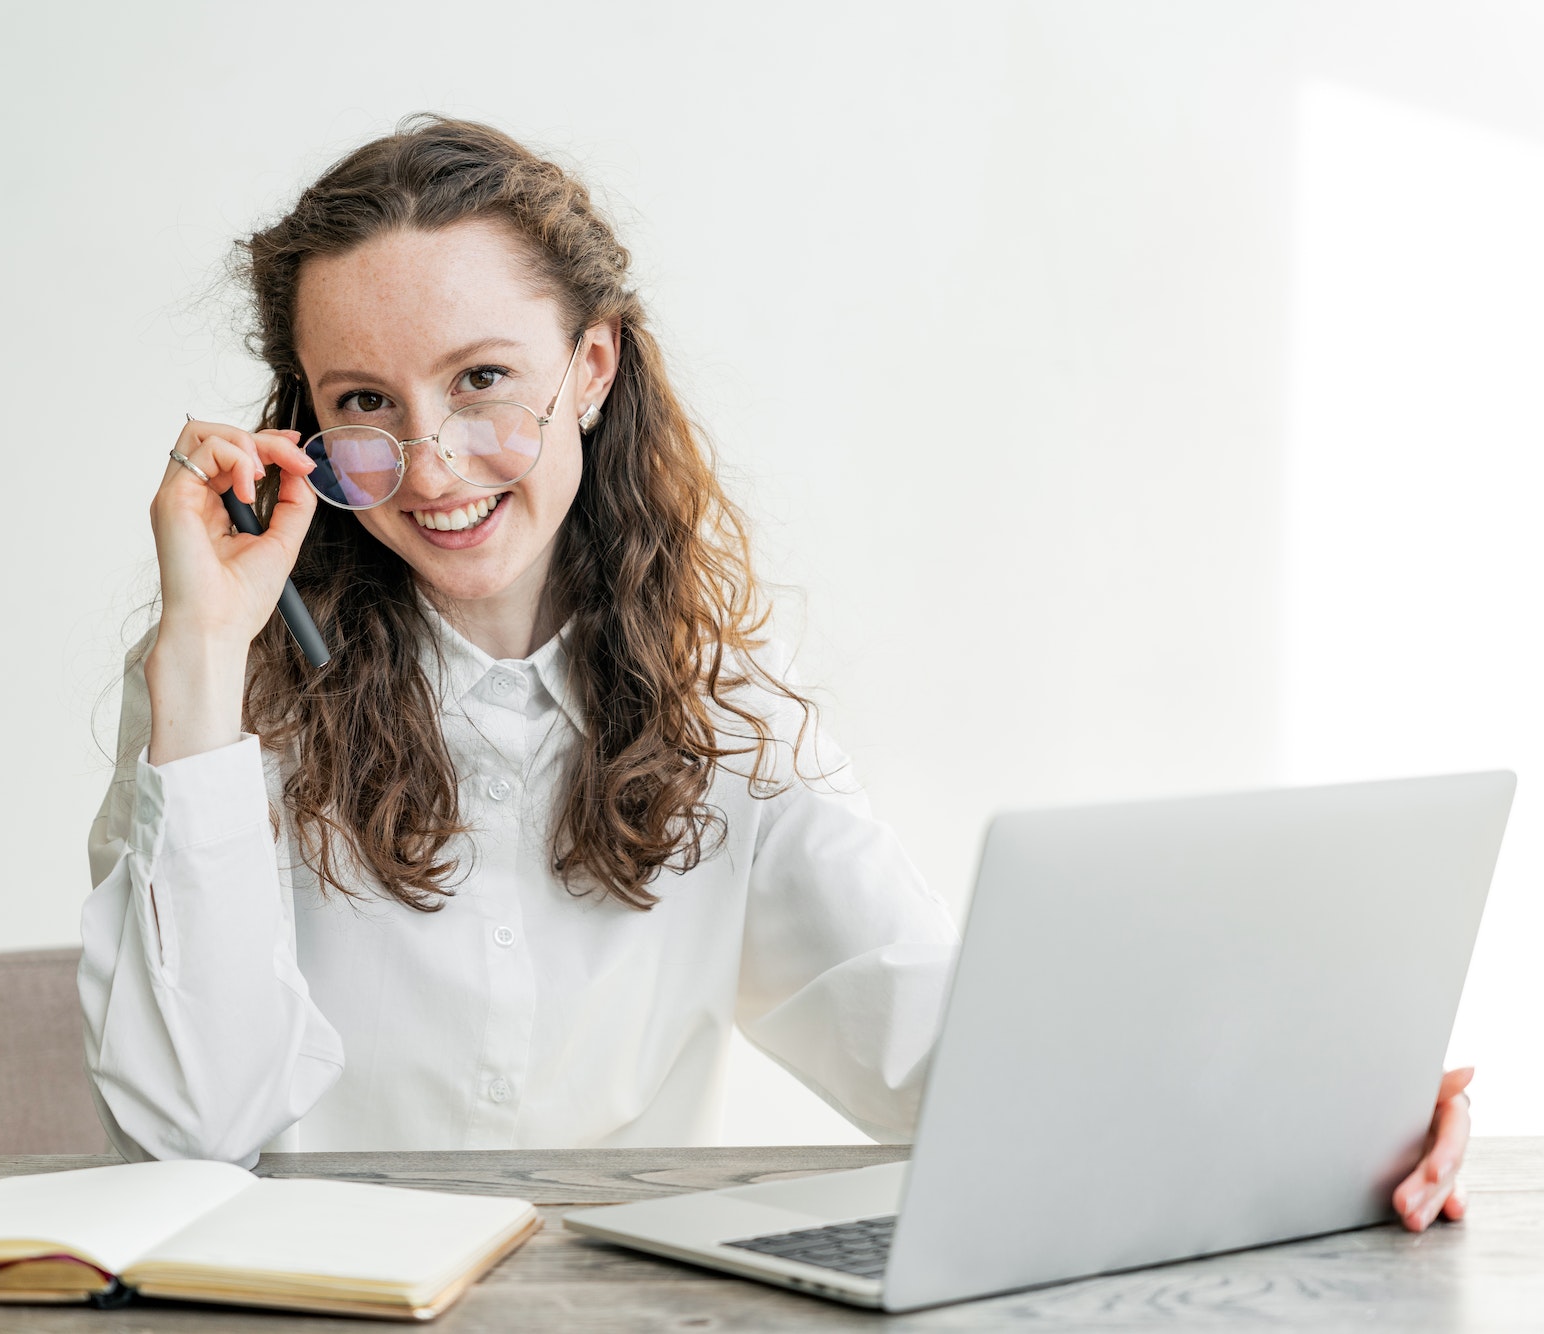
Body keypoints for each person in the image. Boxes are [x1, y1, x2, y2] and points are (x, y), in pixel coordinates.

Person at [80, 116, 1471, 1232]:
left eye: (483, 378)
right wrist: (202, 653)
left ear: (592, 364)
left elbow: (944, 1058)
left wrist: (1338, 1121)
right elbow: (188, 1145)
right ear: (306, 432)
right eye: (364, 405)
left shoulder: (718, 704)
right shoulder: (227, 686)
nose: (431, 463)